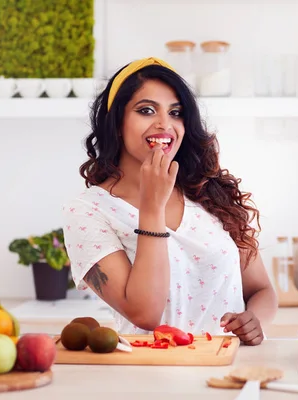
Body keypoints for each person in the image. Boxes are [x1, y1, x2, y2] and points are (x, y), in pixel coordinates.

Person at [61, 57, 277, 345]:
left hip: (228, 367)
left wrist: (255, 321)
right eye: (146, 110)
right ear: (116, 124)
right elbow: (145, 314)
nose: (165, 124)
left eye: (176, 113)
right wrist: (152, 208)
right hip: (152, 376)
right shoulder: (88, 211)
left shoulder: (210, 192)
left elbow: (261, 290)